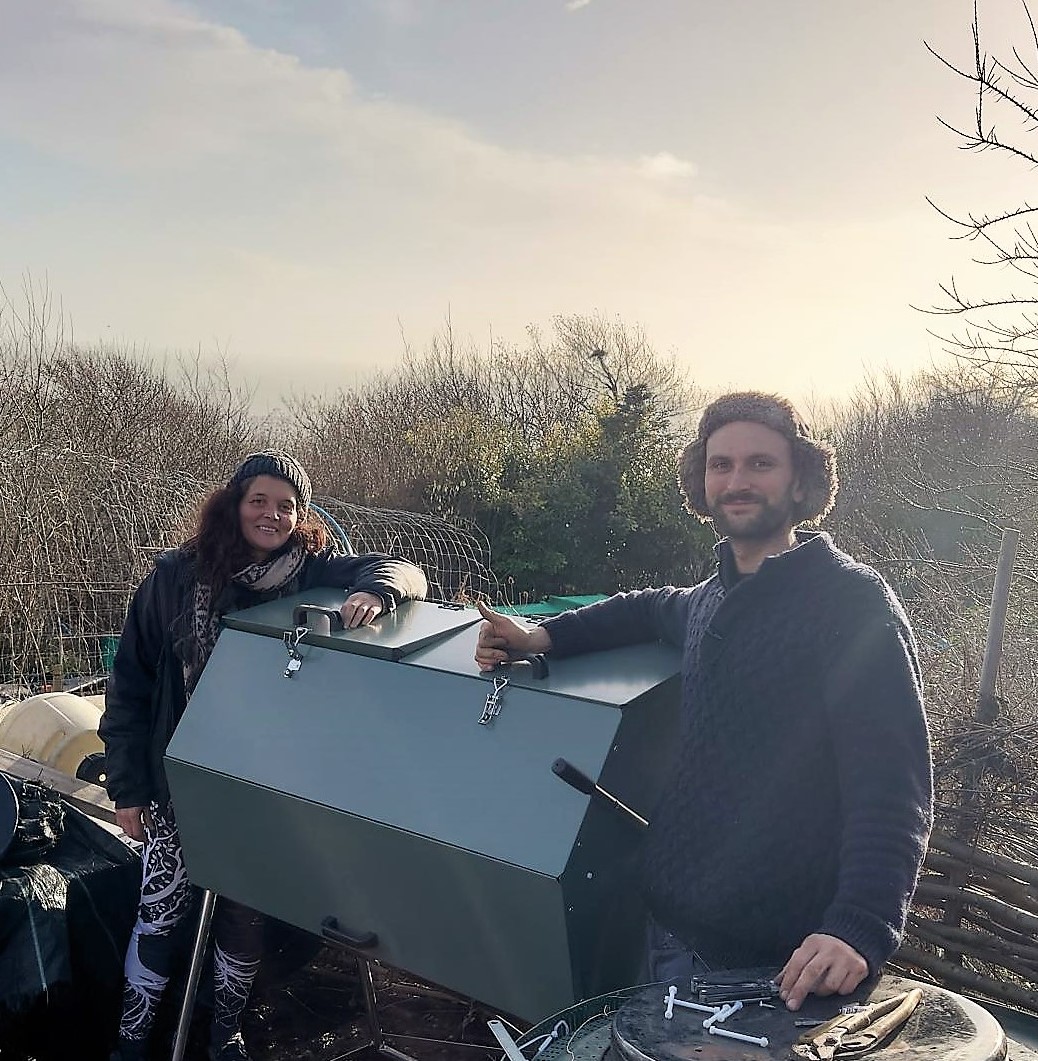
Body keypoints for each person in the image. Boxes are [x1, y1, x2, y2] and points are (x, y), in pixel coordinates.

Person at [475, 392, 932, 1012]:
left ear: (801, 479)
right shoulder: (714, 596)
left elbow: (895, 787)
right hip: (671, 929)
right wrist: (540, 636)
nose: (737, 481)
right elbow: (645, 608)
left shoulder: (850, 605)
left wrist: (860, 926)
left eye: (760, 464)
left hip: (779, 960)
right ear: (701, 479)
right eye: (721, 464)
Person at [100, 451, 428, 1061]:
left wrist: (376, 592)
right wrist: (128, 788)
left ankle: (224, 1034)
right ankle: (132, 1040)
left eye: (287, 506)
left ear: (301, 515)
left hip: (262, 787)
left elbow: (405, 570)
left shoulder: (311, 571)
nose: (271, 515)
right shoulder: (174, 577)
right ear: (234, 503)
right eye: (259, 500)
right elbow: (130, 687)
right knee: (160, 914)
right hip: (180, 781)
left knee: (244, 919)